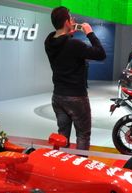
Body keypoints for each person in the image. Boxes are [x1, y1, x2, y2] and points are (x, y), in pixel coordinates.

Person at [44, 6, 106, 150]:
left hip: (58, 96)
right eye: (71, 18)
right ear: (67, 22)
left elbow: (63, 45)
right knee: (83, 135)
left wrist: (68, 34)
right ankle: (80, 168)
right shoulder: (75, 44)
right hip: (76, 97)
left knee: (62, 136)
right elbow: (100, 53)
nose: (73, 20)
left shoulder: (49, 42)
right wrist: (90, 33)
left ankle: (60, 164)